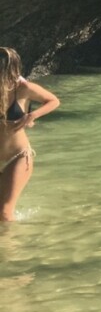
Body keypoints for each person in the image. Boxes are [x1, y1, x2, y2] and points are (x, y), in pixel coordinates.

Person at [1, 47, 61, 222]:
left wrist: (31, 115)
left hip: (17, 156)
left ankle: (11, 248)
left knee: (4, 213)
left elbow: (53, 101)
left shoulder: (24, 88)